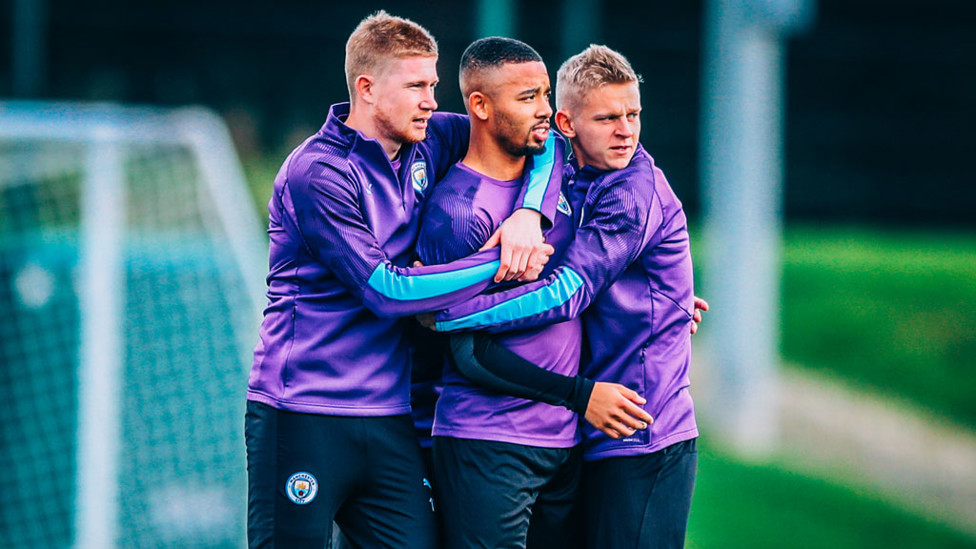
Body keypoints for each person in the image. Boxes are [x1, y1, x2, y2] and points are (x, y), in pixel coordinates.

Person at [243, 11, 558, 548]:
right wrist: (501, 260)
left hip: (388, 417)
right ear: (366, 89)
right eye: (416, 86)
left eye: (433, 85)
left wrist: (529, 215)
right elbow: (388, 292)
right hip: (302, 413)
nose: (432, 100)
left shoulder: (429, 140)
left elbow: (537, 137)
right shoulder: (318, 173)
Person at [429, 45, 701, 548]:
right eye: (608, 118)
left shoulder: (631, 191)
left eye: (634, 114)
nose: (627, 130)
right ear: (567, 124)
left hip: (641, 430)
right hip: (584, 433)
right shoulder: (560, 164)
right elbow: (534, 146)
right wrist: (531, 211)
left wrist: (449, 313)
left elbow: (568, 294)